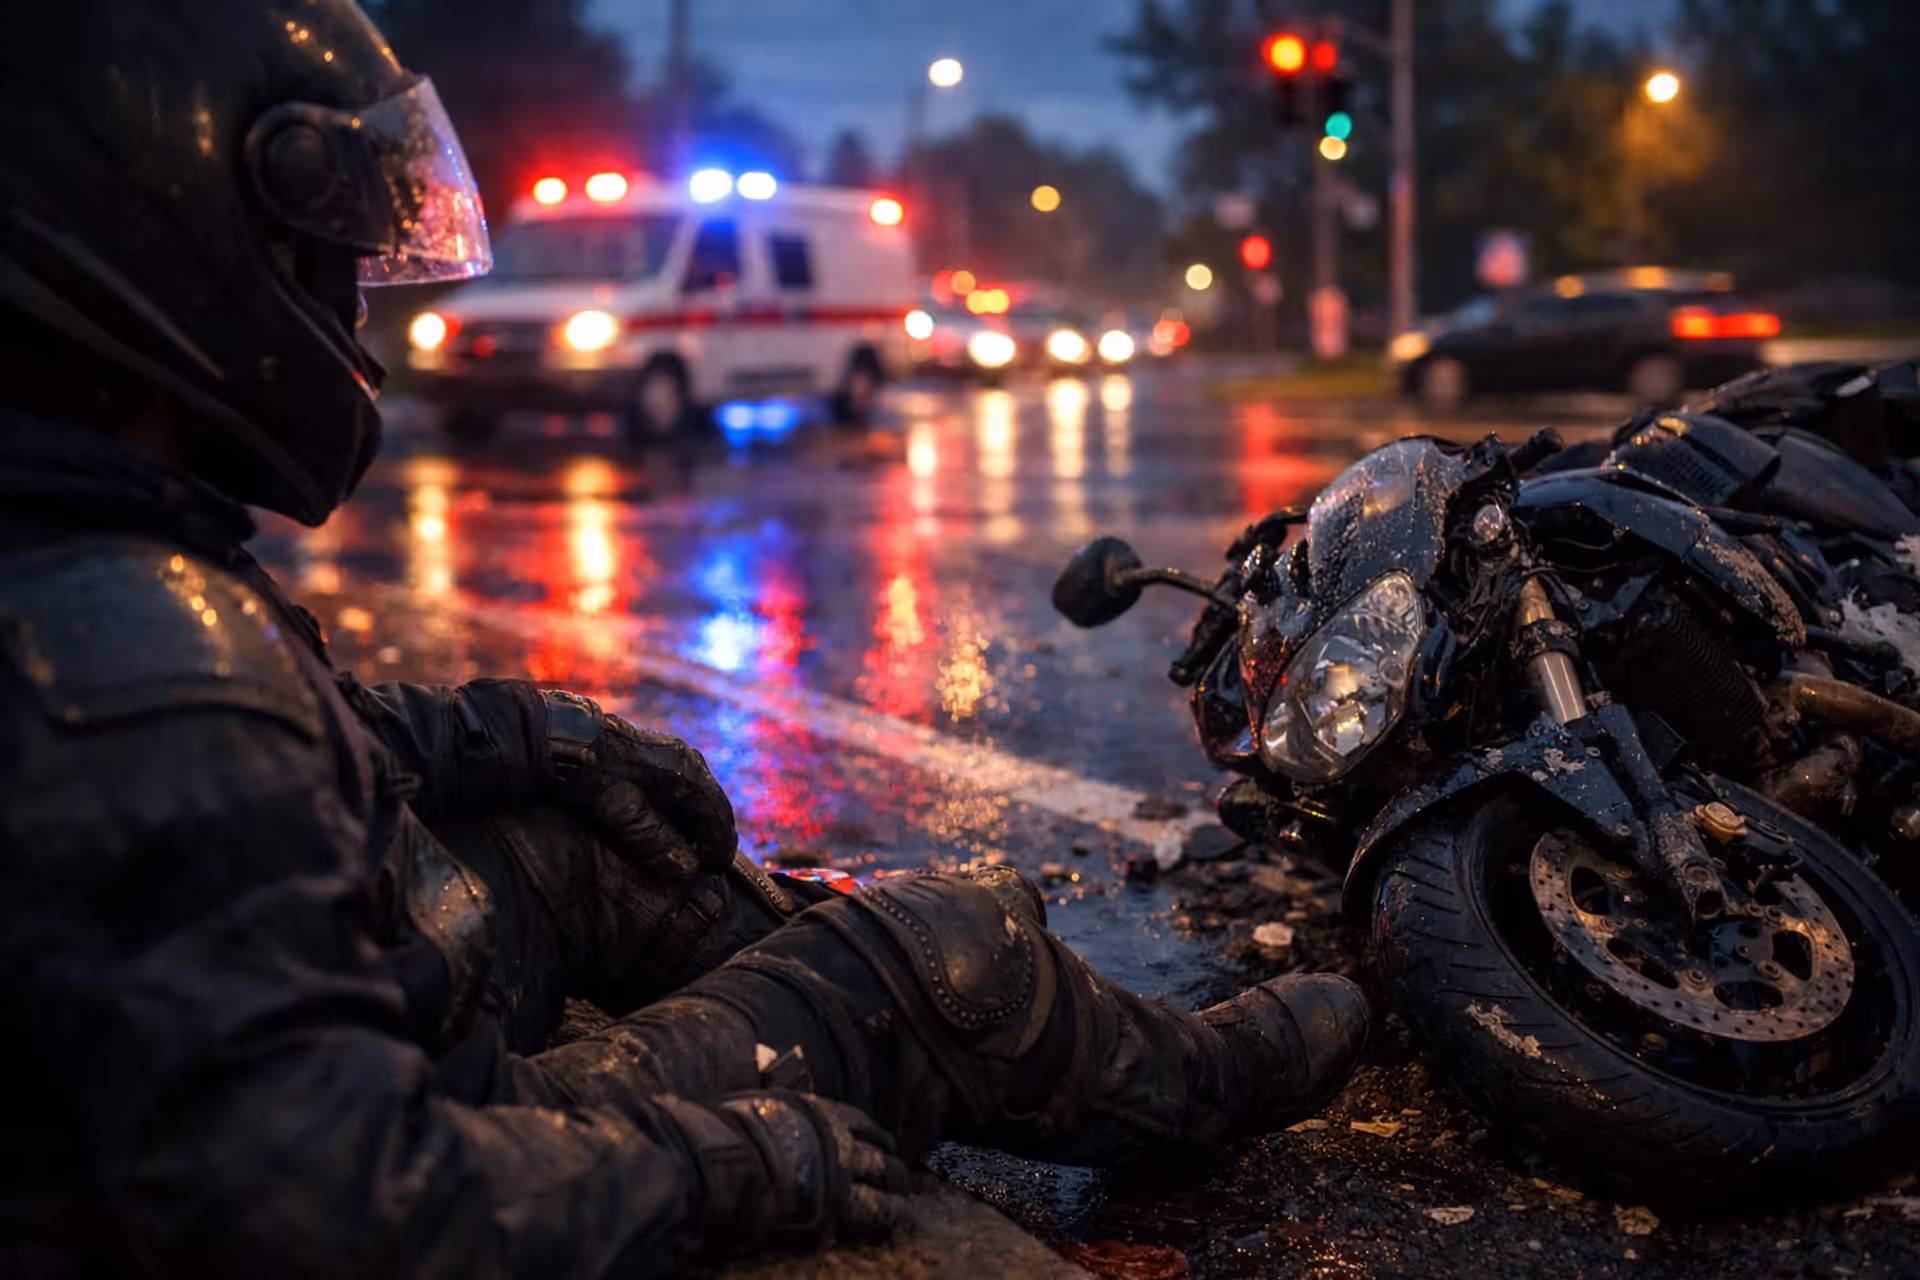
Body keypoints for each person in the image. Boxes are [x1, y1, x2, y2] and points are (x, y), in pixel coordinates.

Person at [0, 3, 1372, 1276]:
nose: (354, 304)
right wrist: (736, 1162)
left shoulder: (71, 538)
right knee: (953, 951)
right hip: (459, 1122)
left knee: (594, 839)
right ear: (170, 239)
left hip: (354, 985)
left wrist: (536, 733)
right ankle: (1145, 1074)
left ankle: (836, 993)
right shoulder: (127, 663)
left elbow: (302, 750)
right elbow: (341, 1207)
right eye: (326, 257)